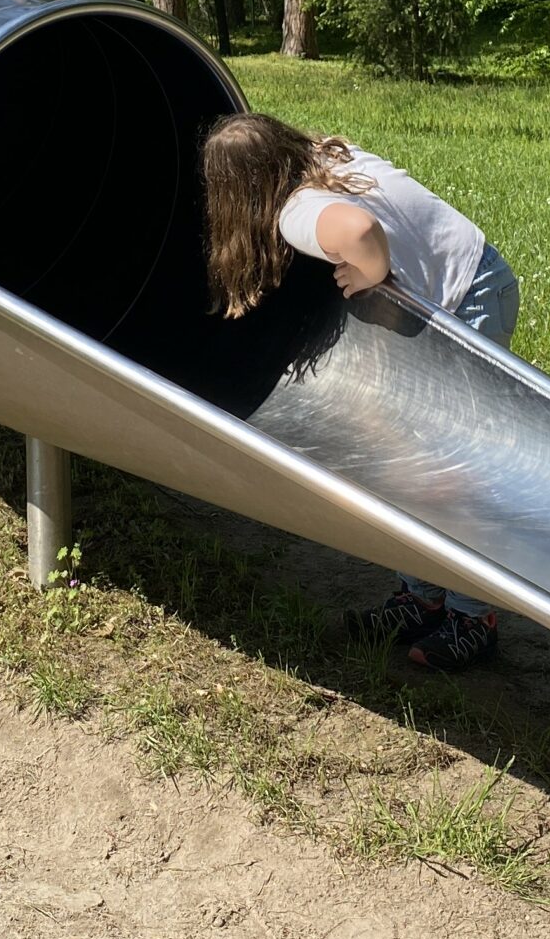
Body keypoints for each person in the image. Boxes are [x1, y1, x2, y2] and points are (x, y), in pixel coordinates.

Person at [201, 111, 521, 673]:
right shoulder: (327, 159)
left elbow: (358, 231)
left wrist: (371, 272)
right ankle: (420, 598)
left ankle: (473, 617)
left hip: (464, 303)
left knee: (443, 466)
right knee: (401, 458)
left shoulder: (298, 213)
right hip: (474, 279)